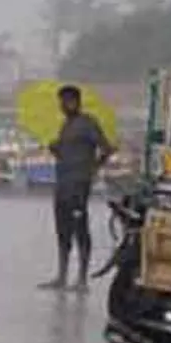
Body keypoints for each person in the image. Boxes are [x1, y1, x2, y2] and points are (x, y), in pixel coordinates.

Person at [40, 84, 116, 293]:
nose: (62, 106)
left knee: (80, 228)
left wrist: (92, 169)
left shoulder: (88, 123)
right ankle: (62, 275)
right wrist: (56, 149)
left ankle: (82, 278)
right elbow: (66, 155)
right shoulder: (66, 125)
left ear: (75, 101)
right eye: (61, 102)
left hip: (78, 185)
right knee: (62, 229)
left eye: (65, 101)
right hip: (62, 184)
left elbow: (107, 148)